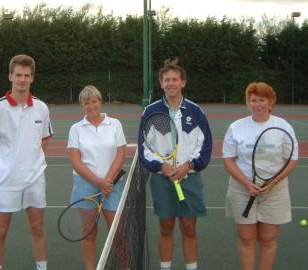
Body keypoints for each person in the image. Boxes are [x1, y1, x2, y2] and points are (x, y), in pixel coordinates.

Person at [138, 59, 212, 270]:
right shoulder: (151, 111)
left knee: (189, 227)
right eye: (166, 80)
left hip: (189, 177)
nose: (171, 83)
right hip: (162, 180)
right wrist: (162, 167)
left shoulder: (195, 111)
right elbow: (144, 149)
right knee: (165, 226)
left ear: (183, 82)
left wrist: (189, 165)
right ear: (161, 84)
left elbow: (205, 145)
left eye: (175, 79)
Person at [0, 54, 53, 270]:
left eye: (27, 75)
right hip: (7, 180)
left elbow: (44, 141)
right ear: (10, 76)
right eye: (18, 75)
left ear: (32, 78)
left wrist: (30, 164)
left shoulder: (41, 108)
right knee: (0, 231)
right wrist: (6, 166)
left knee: (38, 227)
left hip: (34, 180)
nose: (22, 79)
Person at [222, 82, 299, 270]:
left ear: (270, 102)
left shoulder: (284, 127)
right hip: (242, 189)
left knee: (268, 239)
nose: (257, 104)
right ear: (248, 103)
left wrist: (274, 182)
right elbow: (229, 159)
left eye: (262, 100)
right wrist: (246, 183)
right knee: (247, 239)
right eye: (253, 100)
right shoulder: (236, 127)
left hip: (275, 191)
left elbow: (292, 159)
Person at [67, 85, 126, 270]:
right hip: (85, 185)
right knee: (89, 232)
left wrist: (107, 181)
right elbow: (76, 161)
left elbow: (120, 155)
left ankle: (126, 266)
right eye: (87, 103)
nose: (91, 106)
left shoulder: (115, 124)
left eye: (94, 101)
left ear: (100, 102)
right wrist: (98, 182)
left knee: (117, 232)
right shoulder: (76, 129)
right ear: (82, 105)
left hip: (112, 184)